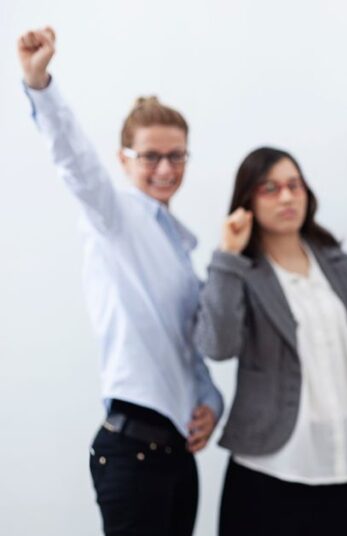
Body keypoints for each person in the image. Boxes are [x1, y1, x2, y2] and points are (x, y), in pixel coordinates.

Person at [17, 27, 223, 536]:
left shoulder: (179, 247)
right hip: (131, 450)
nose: (165, 168)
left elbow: (185, 344)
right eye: (151, 155)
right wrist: (41, 83)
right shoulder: (114, 218)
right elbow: (75, 162)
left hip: (177, 451)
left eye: (177, 155)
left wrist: (211, 400)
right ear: (124, 158)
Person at [193, 147, 347, 536]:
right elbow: (218, 346)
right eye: (269, 188)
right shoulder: (241, 271)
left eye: (293, 185)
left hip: (345, 461)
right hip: (270, 466)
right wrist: (227, 256)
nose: (286, 197)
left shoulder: (338, 264)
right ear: (247, 200)